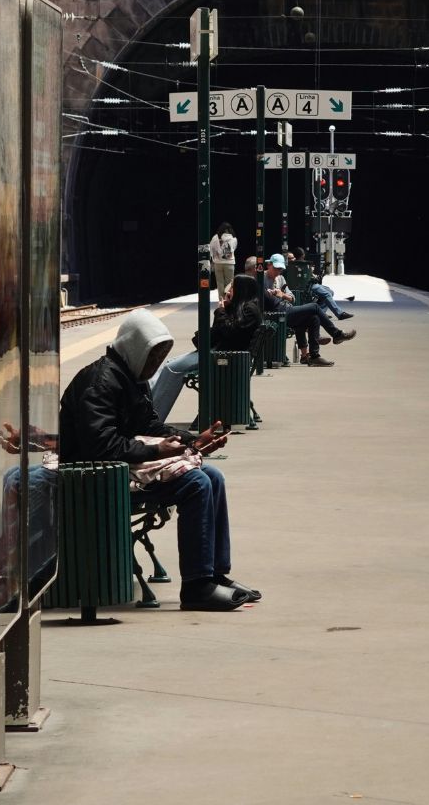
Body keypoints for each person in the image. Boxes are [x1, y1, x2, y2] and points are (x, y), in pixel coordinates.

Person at [59, 310, 258, 611]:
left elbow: (150, 425)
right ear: (135, 347)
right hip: (93, 475)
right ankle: (196, 585)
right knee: (196, 483)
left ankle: (215, 573)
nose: (154, 365)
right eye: (152, 355)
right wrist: (155, 451)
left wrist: (191, 441)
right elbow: (99, 446)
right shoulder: (100, 382)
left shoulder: (131, 376)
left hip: (120, 467)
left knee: (213, 476)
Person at [152, 274, 269, 421]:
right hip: (222, 353)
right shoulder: (245, 308)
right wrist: (227, 308)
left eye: (233, 287)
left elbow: (229, 332)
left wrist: (220, 310)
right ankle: (148, 410)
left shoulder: (249, 310)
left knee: (172, 368)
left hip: (224, 357)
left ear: (241, 290)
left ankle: (155, 417)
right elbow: (221, 331)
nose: (229, 291)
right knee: (168, 364)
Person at [208, 222, 238, 295]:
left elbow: (210, 248)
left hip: (218, 263)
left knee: (219, 283)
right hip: (229, 263)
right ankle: (228, 301)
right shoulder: (234, 238)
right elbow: (233, 249)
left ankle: (221, 301)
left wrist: (212, 258)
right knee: (229, 284)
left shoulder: (215, 237)